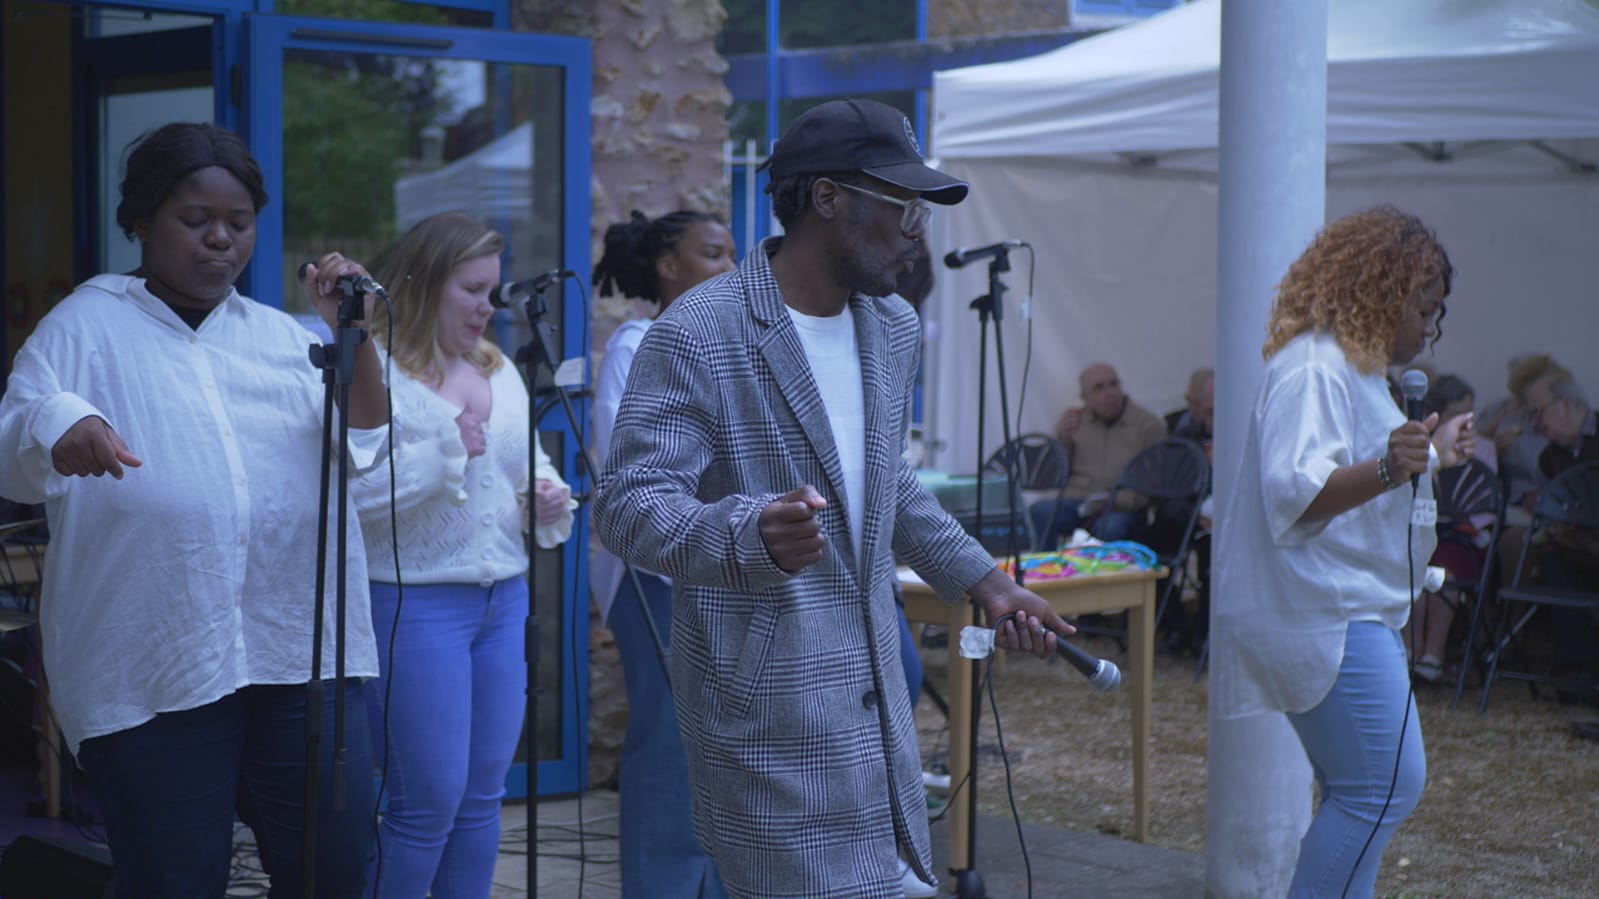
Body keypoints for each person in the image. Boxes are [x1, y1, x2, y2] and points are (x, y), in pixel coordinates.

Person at [590, 98, 1071, 899]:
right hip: (766, 722)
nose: (918, 229)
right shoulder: (697, 331)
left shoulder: (888, 325)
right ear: (827, 198)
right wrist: (747, 531)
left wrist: (984, 581)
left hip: (877, 714)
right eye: (901, 204)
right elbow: (626, 505)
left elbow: (887, 485)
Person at [0, 122, 387, 897]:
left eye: (238, 224)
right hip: (154, 664)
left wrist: (356, 336)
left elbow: (369, 437)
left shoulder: (286, 339)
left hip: (297, 656)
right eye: (195, 220)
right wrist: (61, 424)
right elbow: (15, 445)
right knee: (175, 880)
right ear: (142, 220)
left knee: (336, 869)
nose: (219, 241)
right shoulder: (86, 324)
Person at [1214, 206, 1474, 898]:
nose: (1429, 328)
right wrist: (1391, 467)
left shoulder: (1352, 371)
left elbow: (1365, 478)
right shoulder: (1312, 367)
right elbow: (1296, 495)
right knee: (1381, 786)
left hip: (1346, 603)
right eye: (1425, 307)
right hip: (1322, 609)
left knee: (1359, 791)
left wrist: (1430, 455)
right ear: (1383, 292)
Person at [349, 212, 576, 899]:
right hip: (413, 603)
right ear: (422, 284)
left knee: (483, 797)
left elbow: (524, 458)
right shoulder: (375, 366)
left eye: (493, 291)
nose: (489, 307)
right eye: (473, 290)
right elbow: (354, 496)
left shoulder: (497, 366)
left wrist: (545, 494)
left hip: (503, 599)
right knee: (427, 803)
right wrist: (447, 448)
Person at [590, 208, 736, 899]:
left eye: (732, 253)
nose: (730, 268)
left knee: (714, 747)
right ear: (667, 266)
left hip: (718, 572)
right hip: (657, 576)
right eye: (712, 254)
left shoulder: (727, 345)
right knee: (670, 748)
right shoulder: (637, 345)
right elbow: (640, 480)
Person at [1400, 374, 1489, 683]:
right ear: (1437, 415)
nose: (1467, 422)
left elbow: (1484, 513)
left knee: (1442, 576)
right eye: (1458, 415)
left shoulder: (1481, 449)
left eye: (1471, 413)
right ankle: (1409, 654)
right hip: (1420, 536)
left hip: (1461, 541)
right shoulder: (1413, 446)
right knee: (1410, 570)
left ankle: (1432, 656)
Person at [1029, 362, 1167, 550]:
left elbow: (1153, 484)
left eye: (1114, 384)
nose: (1109, 393)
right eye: (1099, 388)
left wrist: (1117, 501)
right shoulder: (1076, 421)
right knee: (1040, 511)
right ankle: (1048, 572)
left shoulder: (1147, 425)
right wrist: (1063, 441)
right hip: (1078, 501)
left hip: (1122, 506)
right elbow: (1052, 476)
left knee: (1111, 527)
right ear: (1085, 397)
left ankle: (1097, 577)